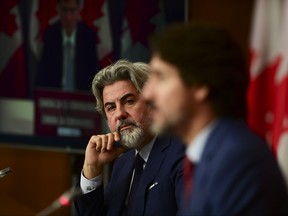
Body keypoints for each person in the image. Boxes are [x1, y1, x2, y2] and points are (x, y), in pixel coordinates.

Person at [143, 23, 288, 215]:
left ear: (200, 86)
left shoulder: (237, 160)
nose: (147, 94)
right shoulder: (209, 153)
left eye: (160, 78)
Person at [73, 59, 185, 215]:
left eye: (129, 101)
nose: (119, 114)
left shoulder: (182, 153)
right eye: (111, 107)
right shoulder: (123, 164)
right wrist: (92, 168)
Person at [35, 0, 99, 91]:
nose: (68, 17)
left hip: (81, 98)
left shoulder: (88, 36)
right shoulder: (51, 35)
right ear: (59, 10)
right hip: (55, 97)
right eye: (64, 10)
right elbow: (43, 75)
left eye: (72, 10)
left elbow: (95, 76)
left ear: (78, 11)